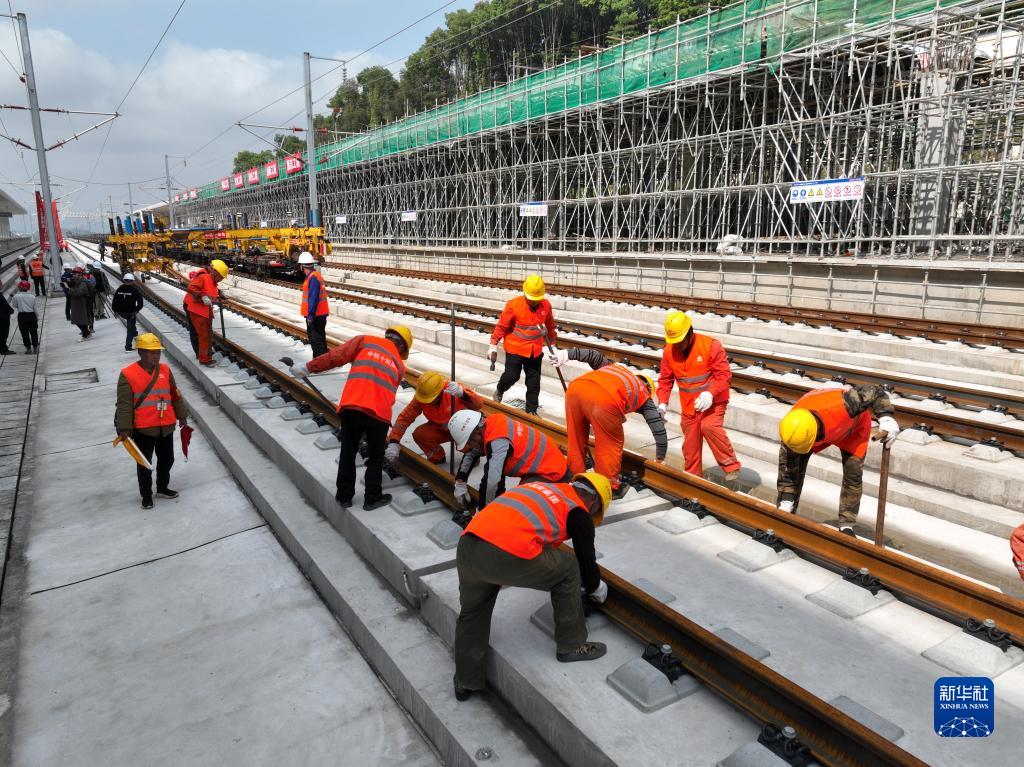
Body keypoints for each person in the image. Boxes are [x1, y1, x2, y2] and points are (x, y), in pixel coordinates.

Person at [453, 472, 612, 701]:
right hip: (502, 554)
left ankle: (465, 681)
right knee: (569, 568)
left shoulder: (542, 489)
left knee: (473, 612)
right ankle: (572, 645)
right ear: (594, 499)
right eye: (596, 511)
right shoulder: (577, 511)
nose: (592, 514)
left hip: (468, 546)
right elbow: (586, 560)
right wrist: (595, 587)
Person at [289, 325, 413, 511]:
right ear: (402, 347)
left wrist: (308, 367)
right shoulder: (399, 365)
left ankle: (344, 496)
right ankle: (372, 498)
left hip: (352, 406)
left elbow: (336, 356)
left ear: (387, 336)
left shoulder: (365, 341)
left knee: (348, 450)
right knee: (376, 456)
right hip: (378, 415)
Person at [776, 383, 899, 535]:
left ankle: (847, 524)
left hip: (853, 428)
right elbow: (787, 468)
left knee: (853, 475)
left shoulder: (845, 404)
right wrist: (786, 500)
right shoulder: (792, 428)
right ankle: (786, 513)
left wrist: (886, 417)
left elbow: (873, 390)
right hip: (827, 427)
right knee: (794, 463)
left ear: (815, 434)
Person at [548, 347, 667, 498]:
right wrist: (660, 459)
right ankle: (609, 486)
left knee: (576, 437)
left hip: (576, 388)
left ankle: (574, 476)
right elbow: (659, 430)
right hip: (604, 398)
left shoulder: (615, 369)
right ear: (649, 388)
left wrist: (566, 354)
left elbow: (592, 354)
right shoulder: (644, 395)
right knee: (610, 442)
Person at [656, 311, 741, 481]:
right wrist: (662, 403)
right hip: (689, 405)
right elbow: (665, 380)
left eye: (680, 341)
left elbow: (724, 376)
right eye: (674, 342)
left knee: (709, 426)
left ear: (690, 333)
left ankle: (731, 466)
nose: (677, 345)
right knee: (690, 444)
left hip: (714, 401)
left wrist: (710, 394)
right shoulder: (669, 351)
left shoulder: (710, 346)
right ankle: (693, 480)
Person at [114, 333, 189, 509]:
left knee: (167, 459)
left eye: (158, 352)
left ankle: (162, 488)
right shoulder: (127, 374)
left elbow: (175, 395)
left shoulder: (165, 370)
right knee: (144, 464)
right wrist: (124, 428)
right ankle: (146, 495)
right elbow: (124, 404)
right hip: (144, 428)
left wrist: (182, 416)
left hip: (166, 426)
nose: (156, 356)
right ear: (141, 352)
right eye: (152, 352)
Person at [448, 409, 569, 510]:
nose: (470, 446)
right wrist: (460, 481)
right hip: (545, 464)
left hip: (552, 474)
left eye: (469, 442)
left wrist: (483, 514)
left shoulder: (499, 442)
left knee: (520, 506)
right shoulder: (490, 424)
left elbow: (492, 482)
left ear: (477, 432)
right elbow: (472, 453)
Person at [489, 274, 556, 415]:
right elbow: (502, 326)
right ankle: (500, 389)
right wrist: (493, 344)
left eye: (536, 299)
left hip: (535, 351)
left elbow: (550, 327)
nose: (534, 302)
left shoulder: (546, 305)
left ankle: (531, 411)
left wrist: (553, 346)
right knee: (512, 375)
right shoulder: (514, 305)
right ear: (525, 292)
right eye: (531, 299)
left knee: (534, 383)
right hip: (515, 349)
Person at [386, 371, 484, 466]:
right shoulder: (421, 398)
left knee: (467, 439)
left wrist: (463, 394)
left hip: (463, 428)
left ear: (439, 392)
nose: (428, 402)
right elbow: (405, 418)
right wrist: (394, 441)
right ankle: (438, 458)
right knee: (420, 435)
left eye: (431, 399)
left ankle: (472, 454)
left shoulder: (453, 390)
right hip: (441, 429)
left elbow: (479, 404)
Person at [184, 259, 228, 366]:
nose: (221, 279)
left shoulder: (214, 284)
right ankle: (204, 359)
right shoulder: (203, 277)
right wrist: (202, 296)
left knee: (207, 334)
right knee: (204, 335)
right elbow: (191, 287)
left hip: (206, 311)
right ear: (216, 272)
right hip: (198, 311)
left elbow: (210, 294)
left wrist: (218, 297)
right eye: (221, 277)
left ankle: (205, 356)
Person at [298, 251, 329, 357]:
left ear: (302, 266)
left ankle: (319, 362)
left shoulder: (313, 278)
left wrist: (310, 315)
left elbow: (313, 298)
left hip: (316, 315)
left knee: (317, 341)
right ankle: (322, 361)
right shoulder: (314, 276)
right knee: (319, 340)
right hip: (319, 314)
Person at [111, 273, 144, 352]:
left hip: (121, 312)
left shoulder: (119, 289)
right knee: (130, 329)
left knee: (132, 326)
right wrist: (136, 310)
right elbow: (140, 302)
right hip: (130, 313)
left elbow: (115, 301)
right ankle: (128, 347)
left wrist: (115, 311)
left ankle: (136, 337)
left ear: (124, 280)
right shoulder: (134, 290)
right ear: (132, 281)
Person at [10, 281, 39, 353]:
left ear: (20, 287)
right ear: (28, 288)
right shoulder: (32, 297)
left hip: (22, 316)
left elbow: (14, 305)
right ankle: (35, 347)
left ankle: (28, 348)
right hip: (32, 315)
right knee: (34, 332)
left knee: (24, 332)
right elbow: (35, 309)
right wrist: (37, 317)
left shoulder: (16, 296)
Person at [67, 266, 93, 340]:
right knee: (77, 320)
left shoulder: (83, 283)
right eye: (73, 273)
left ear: (80, 274)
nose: (74, 275)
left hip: (81, 304)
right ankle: (87, 334)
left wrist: (69, 289)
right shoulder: (75, 282)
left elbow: (79, 293)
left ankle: (86, 335)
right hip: (76, 304)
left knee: (81, 320)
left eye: (76, 273)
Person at [0, 290, 14, 355]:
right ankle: (3, 350)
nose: (2, 285)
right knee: (3, 334)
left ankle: (3, 348)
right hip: (2, 318)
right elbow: (5, 305)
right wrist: (11, 310)